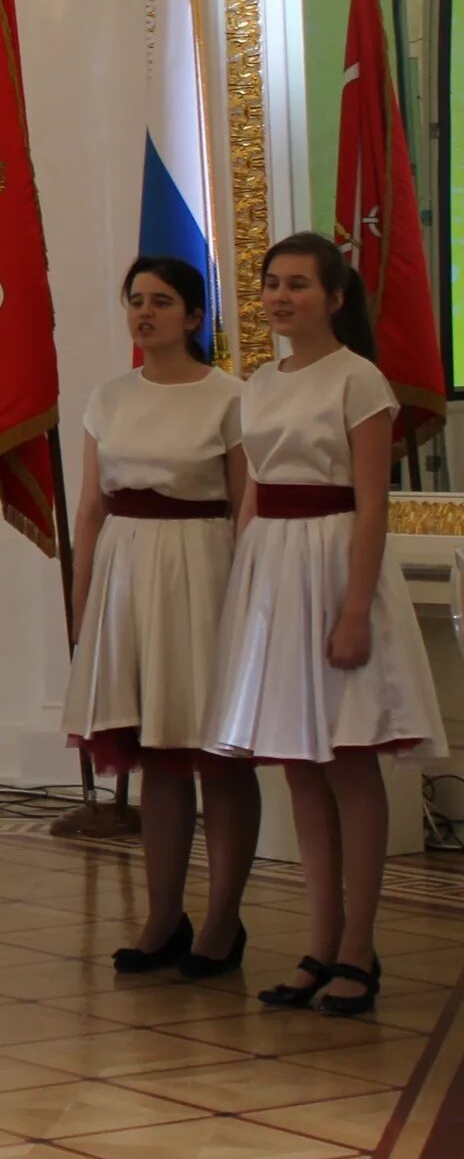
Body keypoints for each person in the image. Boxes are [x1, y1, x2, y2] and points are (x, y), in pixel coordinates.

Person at [202, 233, 447, 1017]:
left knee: (347, 759)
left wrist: (352, 608)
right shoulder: (259, 385)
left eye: (298, 284)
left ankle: (358, 948)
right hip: (274, 573)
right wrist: (244, 591)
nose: (279, 296)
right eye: (272, 283)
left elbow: (371, 504)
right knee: (300, 766)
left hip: (336, 564)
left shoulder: (360, 379)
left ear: (335, 298)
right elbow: (254, 493)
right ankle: (319, 938)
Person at [63, 258, 249, 976]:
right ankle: (163, 916)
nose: (144, 312)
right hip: (126, 570)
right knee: (157, 757)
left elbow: (246, 506)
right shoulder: (108, 398)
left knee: (216, 756)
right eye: (135, 300)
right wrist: (85, 610)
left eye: (162, 301)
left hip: (203, 569)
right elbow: (90, 507)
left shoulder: (230, 397)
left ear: (195, 317)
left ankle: (224, 922)